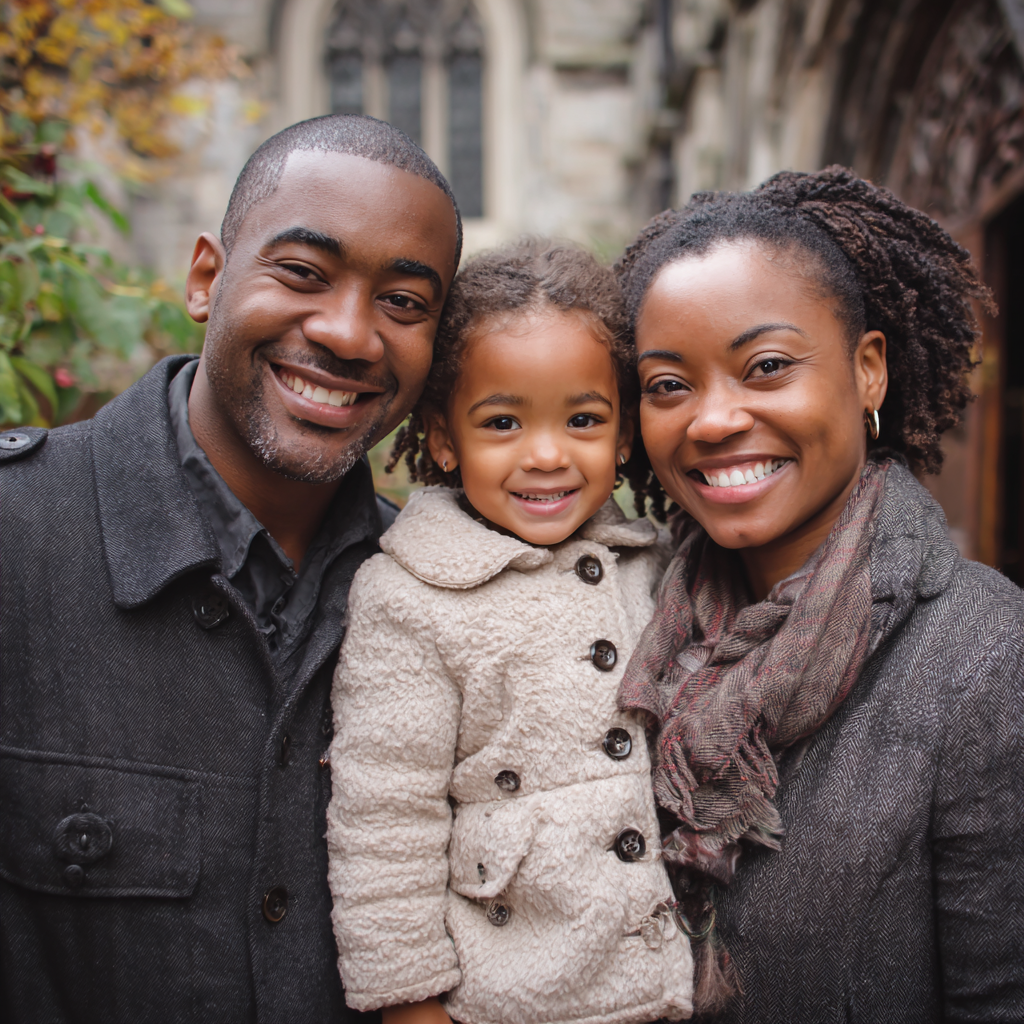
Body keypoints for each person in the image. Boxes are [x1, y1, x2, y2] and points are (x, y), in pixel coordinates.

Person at [0, 114, 460, 1023]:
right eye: (302, 274)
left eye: (404, 302)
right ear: (207, 278)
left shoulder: (442, 597)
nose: (349, 333)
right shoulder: (16, 538)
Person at [614, 166, 1024, 1023]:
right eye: (667, 385)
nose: (712, 420)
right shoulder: (620, 614)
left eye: (765, 366)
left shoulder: (985, 658)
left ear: (867, 370)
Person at [326, 240, 694, 1024]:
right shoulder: (409, 596)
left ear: (624, 432)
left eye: (584, 419)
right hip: (512, 995)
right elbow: (384, 819)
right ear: (446, 436)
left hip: (675, 983)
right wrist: (408, 1004)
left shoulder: (655, 566)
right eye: (503, 422)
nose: (548, 455)